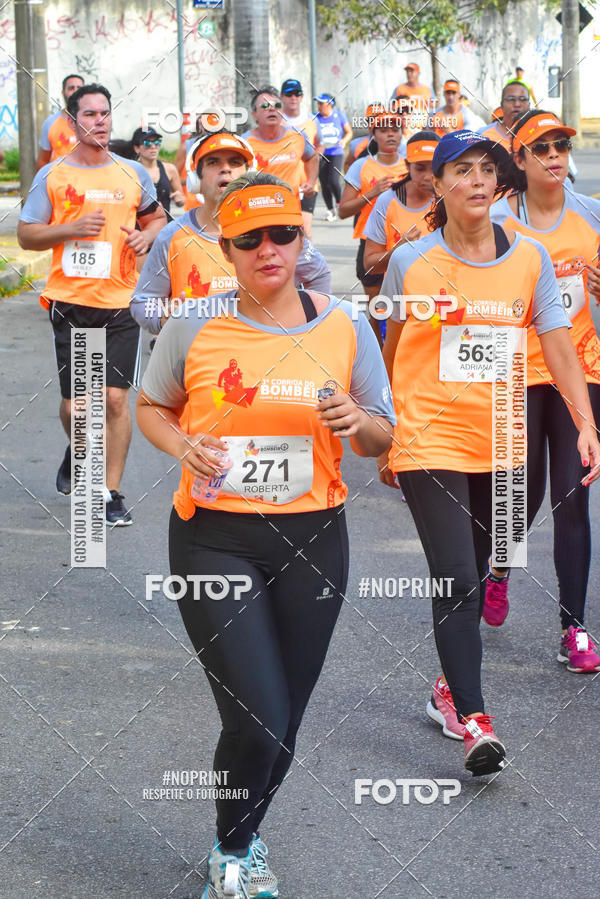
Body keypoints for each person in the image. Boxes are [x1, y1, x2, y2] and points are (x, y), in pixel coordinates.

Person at [136, 170, 395, 899]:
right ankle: (232, 848)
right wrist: (181, 443)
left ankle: (242, 834)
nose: (267, 248)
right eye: (248, 238)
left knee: (283, 722)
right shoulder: (194, 323)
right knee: (258, 712)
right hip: (213, 539)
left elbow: (381, 434)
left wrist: (358, 422)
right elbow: (155, 405)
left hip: (314, 540)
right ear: (227, 247)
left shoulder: (343, 325)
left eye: (281, 232)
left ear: (300, 236)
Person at [378, 130, 600, 775]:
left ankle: (446, 688)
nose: (476, 180)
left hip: (501, 438)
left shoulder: (529, 258)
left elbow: (558, 342)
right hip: (429, 438)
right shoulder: (410, 261)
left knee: (478, 573)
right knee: (454, 576)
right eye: (461, 170)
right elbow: (389, 352)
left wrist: (584, 421)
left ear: (500, 184)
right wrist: (384, 434)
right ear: (438, 184)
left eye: (486, 170)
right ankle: (476, 721)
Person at [17, 83, 166, 525]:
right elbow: (27, 234)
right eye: (91, 114)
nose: (100, 121)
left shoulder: (131, 172)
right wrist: (71, 227)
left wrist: (147, 235)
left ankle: (109, 491)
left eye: (105, 113)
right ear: (72, 121)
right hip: (72, 300)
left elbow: (157, 217)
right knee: (76, 409)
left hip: (122, 300)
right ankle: (78, 448)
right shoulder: (54, 175)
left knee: (115, 401)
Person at [486, 110, 600, 671]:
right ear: (522, 159)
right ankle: (500, 566)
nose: (554, 154)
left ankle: (574, 630)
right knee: (523, 492)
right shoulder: (501, 222)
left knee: (572, 497)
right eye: (542, 147)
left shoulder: (593, 216)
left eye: (561, 145)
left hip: (581, 370)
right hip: (519, 371)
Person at [130, 130, 331, 335]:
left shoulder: (279, 229)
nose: (225, 169)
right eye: (213, 163)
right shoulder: (172, 236)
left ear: (248, 173)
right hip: (196, 360)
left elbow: (318, 274)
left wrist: (309, 327)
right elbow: (142, 302)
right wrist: (162, 318)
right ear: (195, 179)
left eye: (235, 162)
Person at [339, 110, 408, 342]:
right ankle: (375, 356)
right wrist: (372, 193)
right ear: (373, 134)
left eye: (395, 130)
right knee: (378, 309)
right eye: (384, 130)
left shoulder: (411, 166)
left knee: (408, 310)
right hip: (372, 245)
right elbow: (343, 210)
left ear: (402, 133)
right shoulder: (361, 166)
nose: (390, 135)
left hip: (407, 243)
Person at [363, 131, 439, 275]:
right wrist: (398, 251)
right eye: (420, 168)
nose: (428, 176)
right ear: (407, 166)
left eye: (434, 168)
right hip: (401, 292)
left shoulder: (451, 200)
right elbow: (370, 265)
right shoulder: (388, 201)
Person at [243, 85, 319, 207]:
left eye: (277, 106)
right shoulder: (245, 143)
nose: (272, 109)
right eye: (265, 106)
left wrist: (311, 182)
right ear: (254, 114)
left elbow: (312, 157)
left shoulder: (297, 136)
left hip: (291, 214)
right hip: (259, 214)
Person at [280, 78, 322, 238]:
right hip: (284, 185)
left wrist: (313, 177)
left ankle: (307, 262)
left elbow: (320, 144)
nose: (293, 98)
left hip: (306, 184)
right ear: (282, 97)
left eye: (297, 94)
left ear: (302, 97)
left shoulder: (312, 120)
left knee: (305, 232)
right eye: (289, 94)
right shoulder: (277, 121)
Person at [313, 93, 352, 221]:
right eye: (317, 103)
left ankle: (341, 205)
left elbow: (349, 132)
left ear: (330, 104)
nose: (318, 106)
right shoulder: (315, 119)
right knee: (324, 183)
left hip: (336, 152)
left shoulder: (339, 115)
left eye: (321, 104)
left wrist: (344, 141)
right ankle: (330, 210)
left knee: (334, 181)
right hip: (321, 153)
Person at [132, 127, 184, 220]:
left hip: (165, 228)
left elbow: (181, 199)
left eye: (157, 142)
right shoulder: (131, 171)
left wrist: (179, 199)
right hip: (142, 228)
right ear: (137, 148)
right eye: (147, 143)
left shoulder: (170, 169)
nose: (153, 146)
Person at [36, 73, 84, 170]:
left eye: (79, 88)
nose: (75, 91)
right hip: (60, 182)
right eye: (71, 88)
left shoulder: (93, 122)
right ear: (63, 92)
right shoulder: (50, 123)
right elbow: (43, 160)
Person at [478, 81, 531, 150]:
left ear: (529, 105)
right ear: (502, 104)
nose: (517, 104)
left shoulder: (539, 133)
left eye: (522, 99)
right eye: (511, 99)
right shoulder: (483, 136)